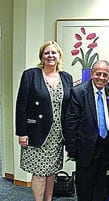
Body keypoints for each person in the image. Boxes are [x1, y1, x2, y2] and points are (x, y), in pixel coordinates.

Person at [15, 40, 73, 201]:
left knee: (51, 171)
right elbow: (21, 106)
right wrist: (22, 133)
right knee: (40, 173)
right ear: (41, 56)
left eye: (53, 52)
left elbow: (69, 107)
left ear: (59, 56)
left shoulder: (66, 77)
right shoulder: (30, 75)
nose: (50, 56)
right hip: (37, 132)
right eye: (47, 53)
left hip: (57, 134)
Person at [64, 60, 109, 201]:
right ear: (91, 74)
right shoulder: (78, 92)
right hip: (86, 149)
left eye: (105, 74)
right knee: (85, 188)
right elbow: (71, 123)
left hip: (107, 148)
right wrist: (72, 149)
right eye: (98, 73)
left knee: (103, 188)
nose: (101, 77)